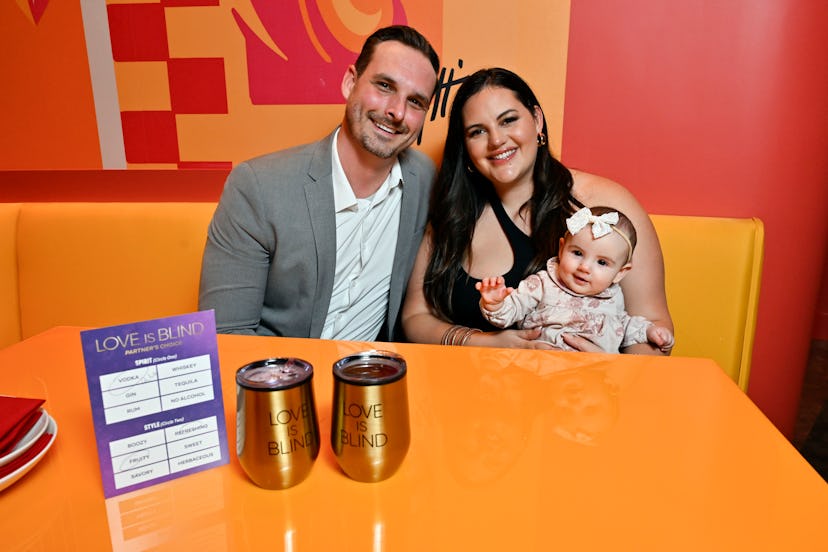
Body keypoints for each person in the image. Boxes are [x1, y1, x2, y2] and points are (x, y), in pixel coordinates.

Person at [401, 68, 673, 352]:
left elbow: (654, 325)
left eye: (508, 120)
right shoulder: (454, 214)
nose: (496, 140)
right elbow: (415, 316)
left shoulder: (606, 205)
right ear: (465, 147)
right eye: (478, 131)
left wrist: (608, 371)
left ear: (537, 120)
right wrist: (481, 342)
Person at [199, 26, 439, 341]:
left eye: (416, 102)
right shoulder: (259, 188)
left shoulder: (425, 180)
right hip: (283, 378)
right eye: (384, 86)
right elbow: (228, 336)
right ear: (350, 82)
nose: (396, 111)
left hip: (373, 378)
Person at [476, 206, 675, 353]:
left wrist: (650, 331)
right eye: (578, 253)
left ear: (621, 272)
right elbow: (511, 311)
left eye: (602, 263)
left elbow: (625, 326)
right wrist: (495, 303)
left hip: (596, 379)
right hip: (539, 368)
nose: (585, 267)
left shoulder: (612, 299)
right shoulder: (542, 283)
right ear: (562, 248)